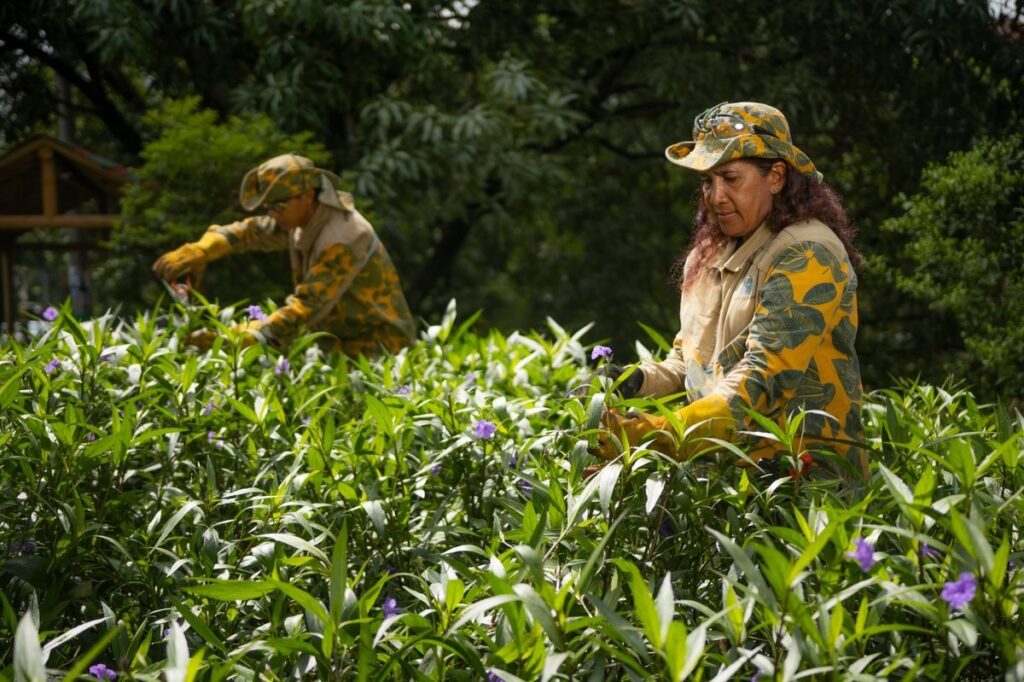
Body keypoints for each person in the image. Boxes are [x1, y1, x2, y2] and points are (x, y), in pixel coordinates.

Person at [592, 101, 866, 483]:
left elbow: (763, 381)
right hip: (717, 480)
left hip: (800, 484)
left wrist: (651, 435)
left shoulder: (807, 254)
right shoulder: (708, 257)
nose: (715, 196)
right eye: (707, 181)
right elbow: (690, 361)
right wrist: (634, 381)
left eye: (730, 178)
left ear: (775, 177)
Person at [152, 153, 417, 357]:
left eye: (278, 206)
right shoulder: (303, 219)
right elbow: (250, 232)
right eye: (269, 207)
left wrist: (234, 337)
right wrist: (202, 249)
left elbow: (304, 308)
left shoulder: (344, 237)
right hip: (339, 350)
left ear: (307, 195)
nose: (273, 214)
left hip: (383, 353)